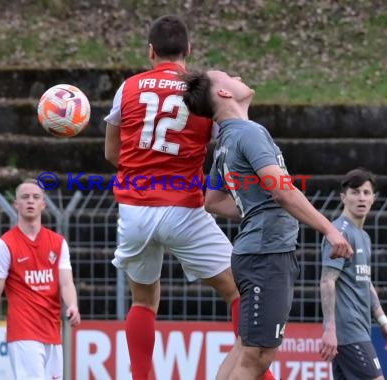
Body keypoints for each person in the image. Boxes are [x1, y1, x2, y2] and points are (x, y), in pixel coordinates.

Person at [104, 15, 276, 380]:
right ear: (189, 50)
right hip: (183, 207)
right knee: (238, 291)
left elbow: (112, 154)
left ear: (150, 51)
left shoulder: (128, 88)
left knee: (143, 300)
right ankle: (260, 375)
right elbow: (228, 141)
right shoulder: (202, 89)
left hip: (134, 210)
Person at [180, 69, 354, 379]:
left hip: (256, 252)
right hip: (266, 255)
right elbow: (283, 190)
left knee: (245, 348)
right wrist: (329, 229)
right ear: (223, 94)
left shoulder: (226, 140)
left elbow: (213, 201)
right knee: (257, 356)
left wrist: (254, 207)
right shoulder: (248, 132)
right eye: (228, 75)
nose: (237, 75)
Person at [0, 179, 81, 380]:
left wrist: (72, 305)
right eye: (24, 197)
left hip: (52, 331)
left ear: (43, 204)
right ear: (16, 205)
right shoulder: (4, 245)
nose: (30, 201)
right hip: (23, 332)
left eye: (36, 197)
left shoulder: (58, 243)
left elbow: (66, 282)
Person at [319, 168, 387, 379]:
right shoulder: (339, 234)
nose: (361, 198)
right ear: (343, 197)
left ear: (374, 198)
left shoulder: (362, 236)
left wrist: (383, 322)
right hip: (348, 332)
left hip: (360, 330)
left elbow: (365, 282)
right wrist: (329, 329)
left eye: (366, 192)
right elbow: (327, 281)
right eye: (355, 192)